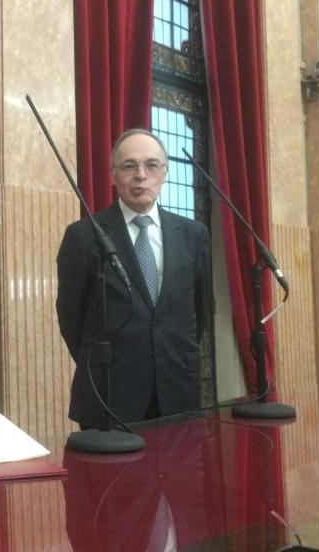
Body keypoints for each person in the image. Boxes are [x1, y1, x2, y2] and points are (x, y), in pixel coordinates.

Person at [55, 129, 209, 426]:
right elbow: (70, 318)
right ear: (113, 175)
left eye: (151, 165)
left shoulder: (194, 235)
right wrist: (100, 361)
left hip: (178, 392)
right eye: (129, 166)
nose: (141, 175)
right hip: (110, 395)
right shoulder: (84, 236)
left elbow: (199, 311)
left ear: (164, 172)